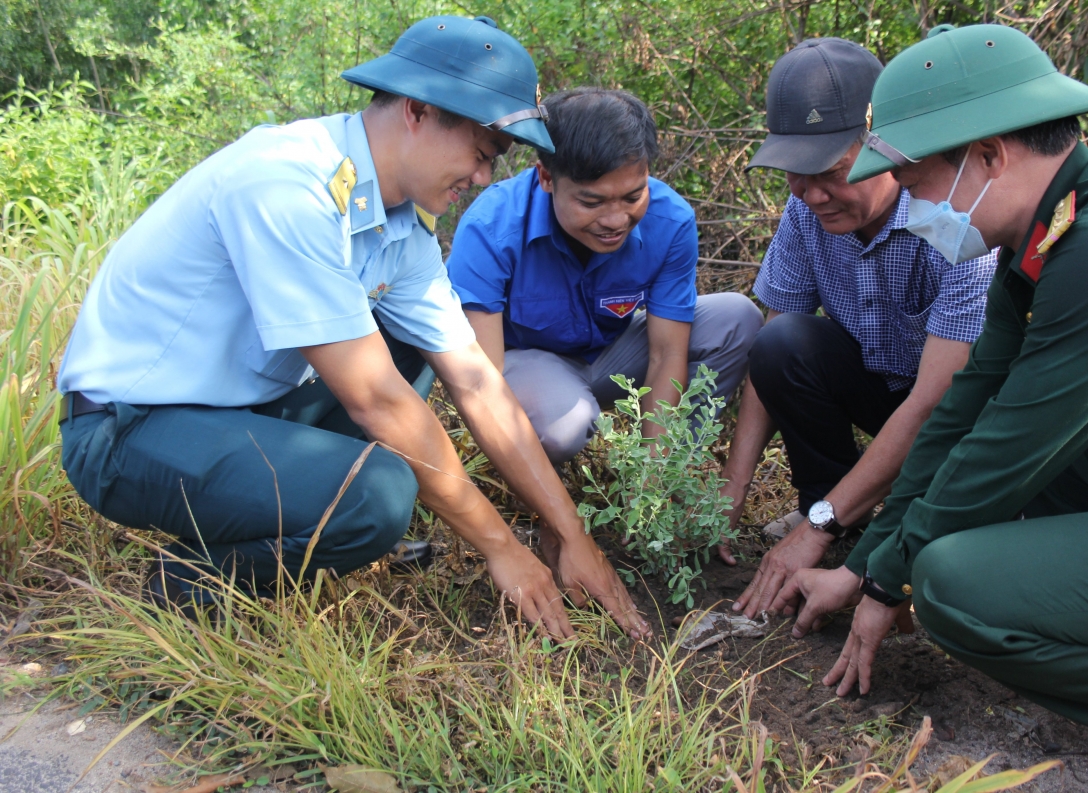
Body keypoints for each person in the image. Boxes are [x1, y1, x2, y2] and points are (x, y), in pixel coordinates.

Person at [56, 15, 649, 641]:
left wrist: (570, 533)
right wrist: (503, 548)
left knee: (412, 350)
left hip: (237, 411)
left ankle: (297, 511)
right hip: (129, 429)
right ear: (418, 110)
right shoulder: (288, 185)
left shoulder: (402, 226)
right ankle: (187, 582)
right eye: (480, 154)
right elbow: (375, 401)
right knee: (377, 496)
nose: (483, 178)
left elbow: (476, 381)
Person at [782, 24, 1088, 793]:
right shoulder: (1040, 249)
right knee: (962, 534)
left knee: (952, 583)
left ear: (990, 155)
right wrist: (864, 564)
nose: (908, 205)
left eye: (913, 183)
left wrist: (889, 583)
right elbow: (958, 418)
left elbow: (1005, 449)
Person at [718, 38, 997, 573]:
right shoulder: (805, 212)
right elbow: (773, 354)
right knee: (781, 343)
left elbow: (936, 403)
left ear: (885, 146)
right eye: (795, 173)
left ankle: (847, 518)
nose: (811, 194)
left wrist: (819, 527)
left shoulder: (953, 220)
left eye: (830, 172)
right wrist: (733, 488)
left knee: (942, 541)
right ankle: (834, 507)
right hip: (880, 392)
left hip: (959, 416)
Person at [446, 87, 763, 465]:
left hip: (612, 354)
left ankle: (674, 468)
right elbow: (484, 379)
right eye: (591, 202)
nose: (615, 220)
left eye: (632, 197)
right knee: (565, 426)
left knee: (736, 319)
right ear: (546, 177)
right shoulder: (491, 227)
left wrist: (653, 478)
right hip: (528, 367)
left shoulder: (670, 221)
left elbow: (666, 354)